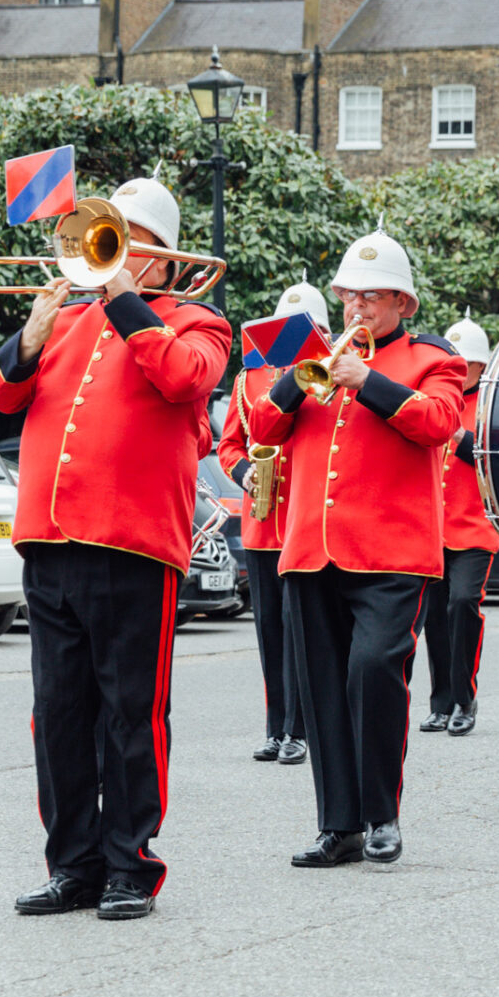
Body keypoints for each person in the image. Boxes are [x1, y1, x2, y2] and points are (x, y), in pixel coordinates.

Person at [0, 180, 233, 920]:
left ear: (167, 258)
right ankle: (73, 865)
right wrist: (30, 336)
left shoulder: (197, 321)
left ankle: (130, 863)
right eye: (107, 235)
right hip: (49, 537)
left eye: (130, 239)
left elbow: (184, 378)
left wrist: (122, 296)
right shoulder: (66, 320)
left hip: (133, 541)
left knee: (130, 712)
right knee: (56, 713)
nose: (110, 251)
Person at [247, 230, 465, 868]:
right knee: (320, 688)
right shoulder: (312, 357)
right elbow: (262, 428)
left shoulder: (433, 358)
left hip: (392, 552)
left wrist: (366, 380)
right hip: (311, 548)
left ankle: (381, 814)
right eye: (348, 296)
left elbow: (439, 422)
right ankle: (337, 825)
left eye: (371, 296)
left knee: (372, 672)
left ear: (403, 303)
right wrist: (297, 380)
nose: (356, 307)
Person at [219, 280, 321, 768]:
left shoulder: (325, 372)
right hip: (262, 524)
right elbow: (229, 445)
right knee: (269, 631)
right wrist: (244, 472)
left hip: (305, 521)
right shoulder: (250, 378)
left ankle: (299, 730)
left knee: (300, 629)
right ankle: (275, 726)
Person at [419, 315, 499, 738]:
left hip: (475, 526)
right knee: (434, 615)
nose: (458, 370)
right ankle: (440, 703)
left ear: (481, 367)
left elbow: (496, 458)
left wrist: (456, 434)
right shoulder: (433, 394)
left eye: (466, 364)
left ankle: (465, 699)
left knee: (463, 603)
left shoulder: (491, 402)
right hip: (432, 525)